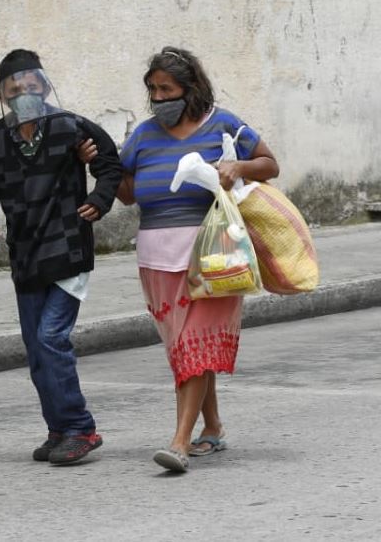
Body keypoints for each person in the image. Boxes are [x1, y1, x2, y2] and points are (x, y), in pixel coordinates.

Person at [116, 46, 279, 472]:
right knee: (185, 350)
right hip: (157, 260)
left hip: (216, 255)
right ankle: (213, 427)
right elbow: (127, 192)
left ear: (190, 89)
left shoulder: (223, 124)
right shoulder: (143, 136)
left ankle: (179, 443)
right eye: (153, 90)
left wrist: (238, 167)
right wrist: (101, 165)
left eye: (167, 89)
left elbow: (269, 164)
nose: (158, 98)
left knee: (195, 345)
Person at [0, 48, 122, 466]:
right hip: (25, 257)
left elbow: (110, 164)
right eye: (14, 88)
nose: (24, 93)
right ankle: (58, 429)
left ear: (43, 86)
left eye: (30, 85)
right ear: (2, 95)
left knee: (51, 338)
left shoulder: (69, 126)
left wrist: (99, 199)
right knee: (36, 349)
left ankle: (80, 428)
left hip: (68, 249)